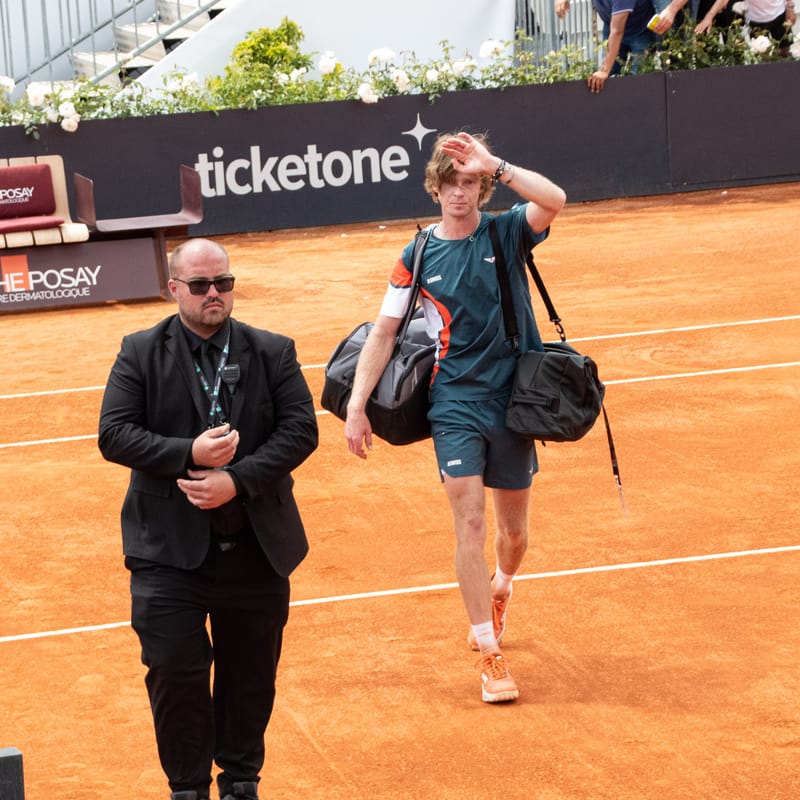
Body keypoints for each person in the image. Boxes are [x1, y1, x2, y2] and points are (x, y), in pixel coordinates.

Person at [344, 131, 566, 703]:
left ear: (483, 186)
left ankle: (502, 584)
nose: (459, 192)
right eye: (450, 182)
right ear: (435, 187)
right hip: (455, 403)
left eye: (470, 182)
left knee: (513, 536)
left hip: (514, 402)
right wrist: (356, 404)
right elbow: (385, 331)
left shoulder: (507, 231)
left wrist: (498, 162)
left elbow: (555, 199)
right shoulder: (416, 253)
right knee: (469, 523)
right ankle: (489, 652)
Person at [98, 238, 318, 800]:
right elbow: (114, 434)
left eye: (223, 282)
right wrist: (190, 454)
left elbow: (301, 431)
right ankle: (188, 788)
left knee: (250, 677)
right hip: (168, 551)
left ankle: (241, 781)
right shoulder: (139, 351)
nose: (214, 293)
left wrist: (236, 481)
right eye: (200, 285)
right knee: (174, 671)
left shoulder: (272, 351)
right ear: (174, 289)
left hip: (255, 547)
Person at [556, 0, 657, 92]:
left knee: (640, 80)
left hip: (640, 30)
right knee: (607, 81)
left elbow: (617, 31)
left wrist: (604, 70)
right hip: (611, 25)